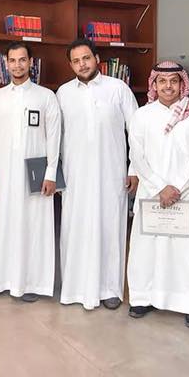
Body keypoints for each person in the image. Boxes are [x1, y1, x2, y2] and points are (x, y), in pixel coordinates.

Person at [127, 61, 189, 329]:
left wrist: (177, 188)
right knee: (146, 249)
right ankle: (143, 298)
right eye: (162, 81)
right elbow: (137, 155)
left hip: (185, 195)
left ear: (182, 83)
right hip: (152, 194)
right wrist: (159, 187)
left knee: (186, 252)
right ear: (154, 84)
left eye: (174, 81)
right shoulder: (142, 115)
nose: (168, 86)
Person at [57, 40, 138, 310]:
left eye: (86, 58)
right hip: (75, 176)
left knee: (110, 229)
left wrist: (133, 169)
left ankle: (110, 289)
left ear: (97, 58)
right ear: (70, 65)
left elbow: (137, 133)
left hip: (111, 174)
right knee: (75, 229)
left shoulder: (118, 89)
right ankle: (74, 288)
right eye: (76, 60)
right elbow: (56, 137)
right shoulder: (63, 93)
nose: (82, 64)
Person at [0, 40, 61, 302]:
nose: (17, 65)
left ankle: (31, 284)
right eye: (12, 61)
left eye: (22, 60)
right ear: (6, 64)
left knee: (33, 226)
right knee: (1, 224)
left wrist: (51, 174)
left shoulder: (46, 97)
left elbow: (54, 139)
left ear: (30, 63)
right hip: (1, 172)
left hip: (34, 173)